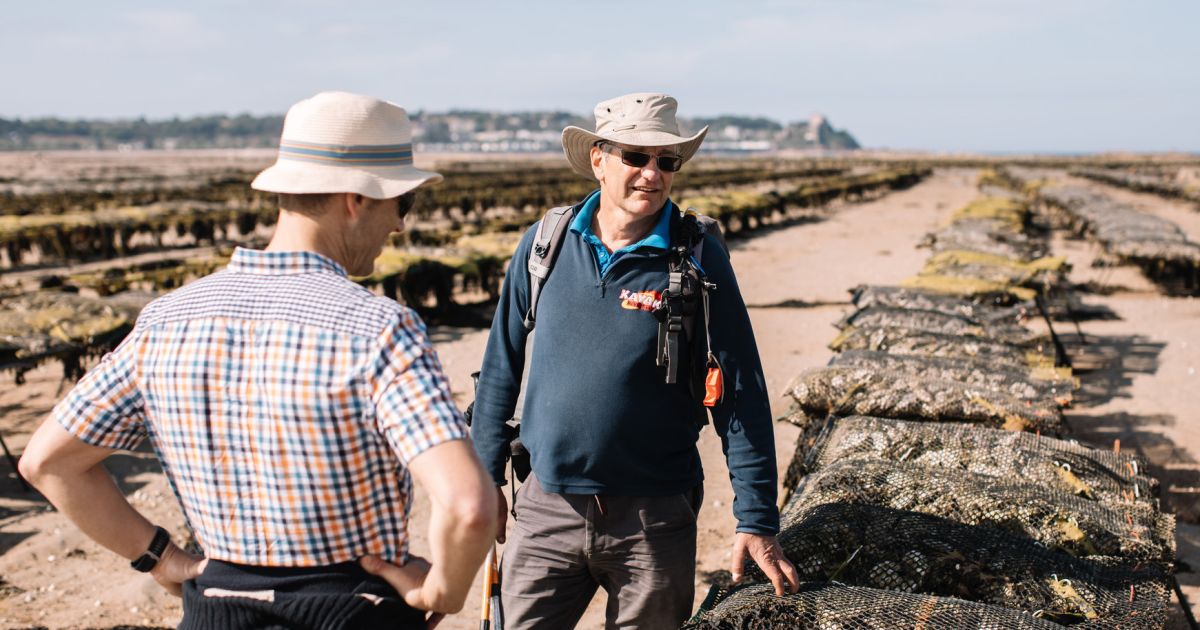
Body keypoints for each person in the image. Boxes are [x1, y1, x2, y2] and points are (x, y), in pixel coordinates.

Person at [20, 91, 496, 629]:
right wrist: (441, 591)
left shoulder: (165, 321)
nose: (400, 226)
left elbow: (47, 462)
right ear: (355, 199)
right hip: (351, 609)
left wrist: (160, 556)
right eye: (401, 202)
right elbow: (468, 507)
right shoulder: (379, 328)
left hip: (215, 606)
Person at [470, 92, 799, 629]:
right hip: (546, 508)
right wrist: (485, 483)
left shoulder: (697, 255)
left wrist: (756, 518)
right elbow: (499, 372)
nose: (652, 174)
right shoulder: (543, 245)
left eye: (666, 161)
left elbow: (739, 389)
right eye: (636, 157)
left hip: (655, 518)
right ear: (598, 160)